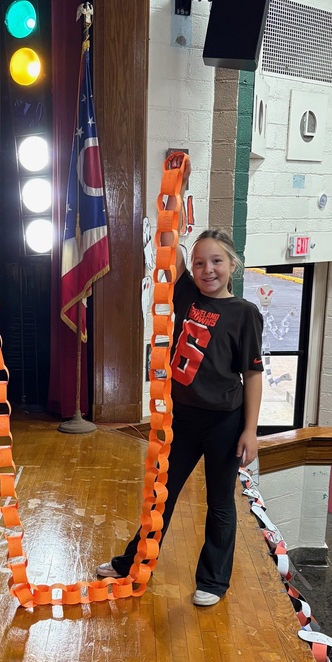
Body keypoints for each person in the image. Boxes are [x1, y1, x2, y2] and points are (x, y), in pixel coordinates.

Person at [96, 224, 263, 606]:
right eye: (201, 262)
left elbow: (252, 375)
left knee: (220, 502)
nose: (208, 270)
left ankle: (213, 581)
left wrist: (250, 430)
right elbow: (170, 248)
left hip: (224, 421)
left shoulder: (244, 314)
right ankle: (132, 562)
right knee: (161, 497)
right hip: (183, 419)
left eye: (217, 261)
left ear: (232, 264)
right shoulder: (187, 295)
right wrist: (179, 178)